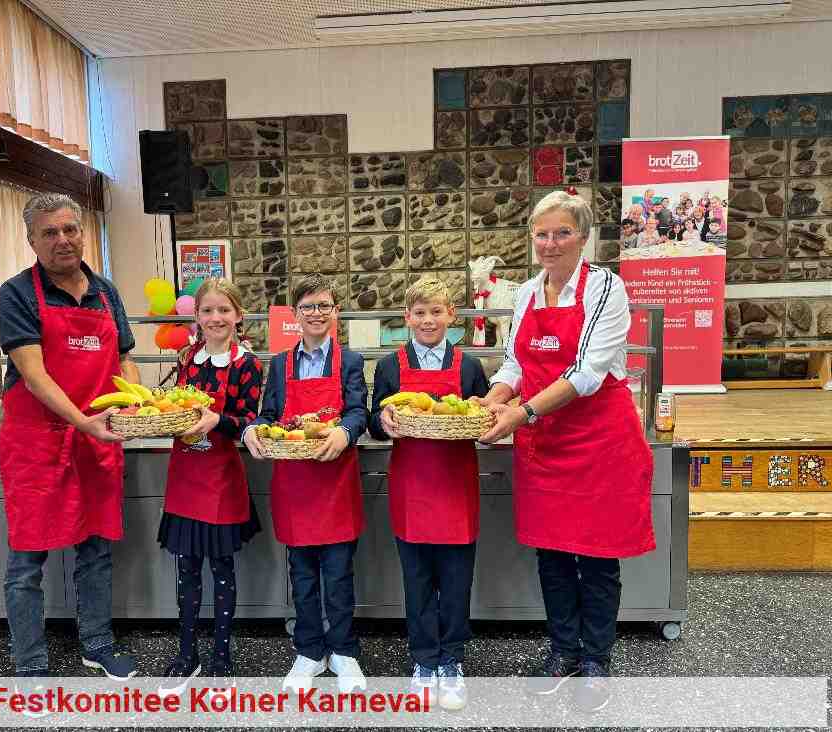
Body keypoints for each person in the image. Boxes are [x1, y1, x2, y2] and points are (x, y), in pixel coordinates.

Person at [476, 191, 654, 713]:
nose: (550, 243)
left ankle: (596, 660)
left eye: (562, 233)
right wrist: (493, 400)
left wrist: (522, 413)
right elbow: (514, 363)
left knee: (596, 557)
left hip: (598, 440)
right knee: (552, 554)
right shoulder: (528, 293)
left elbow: (588, 372)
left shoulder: (606, 287)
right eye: (542, 234)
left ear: (583, 238)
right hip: (545, 444)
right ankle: (563, 652)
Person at [0, 193, 138, 679]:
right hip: (37, 442)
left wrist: (133, 403)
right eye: (50, 232)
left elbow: (124, 359)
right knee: (26, 560)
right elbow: (33, 374)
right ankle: (29, 664)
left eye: (70, 229)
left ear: (83, 232)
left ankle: (97, 643)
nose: (62, 240)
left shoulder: (106, 293)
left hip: (96, 441)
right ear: (31, 240)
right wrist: (83, 421)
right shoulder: (17, 293)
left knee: (96, 550)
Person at [243, 273, 369, 694]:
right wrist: (252, 430)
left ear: (336, 312)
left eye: (324, 306)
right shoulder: (280, 365)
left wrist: (345, 432)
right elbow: (268, 414)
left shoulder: (350, 362)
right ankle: (309, 651)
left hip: (336, 483)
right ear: (295, 315)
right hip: (295, 485)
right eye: (308, 307)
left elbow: (359, 411)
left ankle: (344, 651)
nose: (316, 313)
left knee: (339, 575)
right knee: (302, 575)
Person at [369, 279, 489, 711]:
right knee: (417, 579)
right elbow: (373, 422)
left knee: (456, 580)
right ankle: (423, 659)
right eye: (419, 313)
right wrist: (383, 422)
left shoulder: (470, 366)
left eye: (436, 312)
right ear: (407, 318)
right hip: (412, 487)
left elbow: (484, 416)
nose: (428, 320)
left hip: (456, 487)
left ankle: (451, 659)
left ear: (451, 315)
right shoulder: (389, 367)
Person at [157, 279, 263, 695]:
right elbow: (178, 407)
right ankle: (187, 655)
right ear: (196, 317)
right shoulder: (187, 358)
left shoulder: (247, 365)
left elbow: (248, 421)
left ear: (238, 316)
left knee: (221, 570)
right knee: (185, 571)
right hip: (185, 476)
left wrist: (217, 420)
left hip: (220, 479)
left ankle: (221, 656)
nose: (215, 318)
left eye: (223, 310)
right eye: (207, 311)